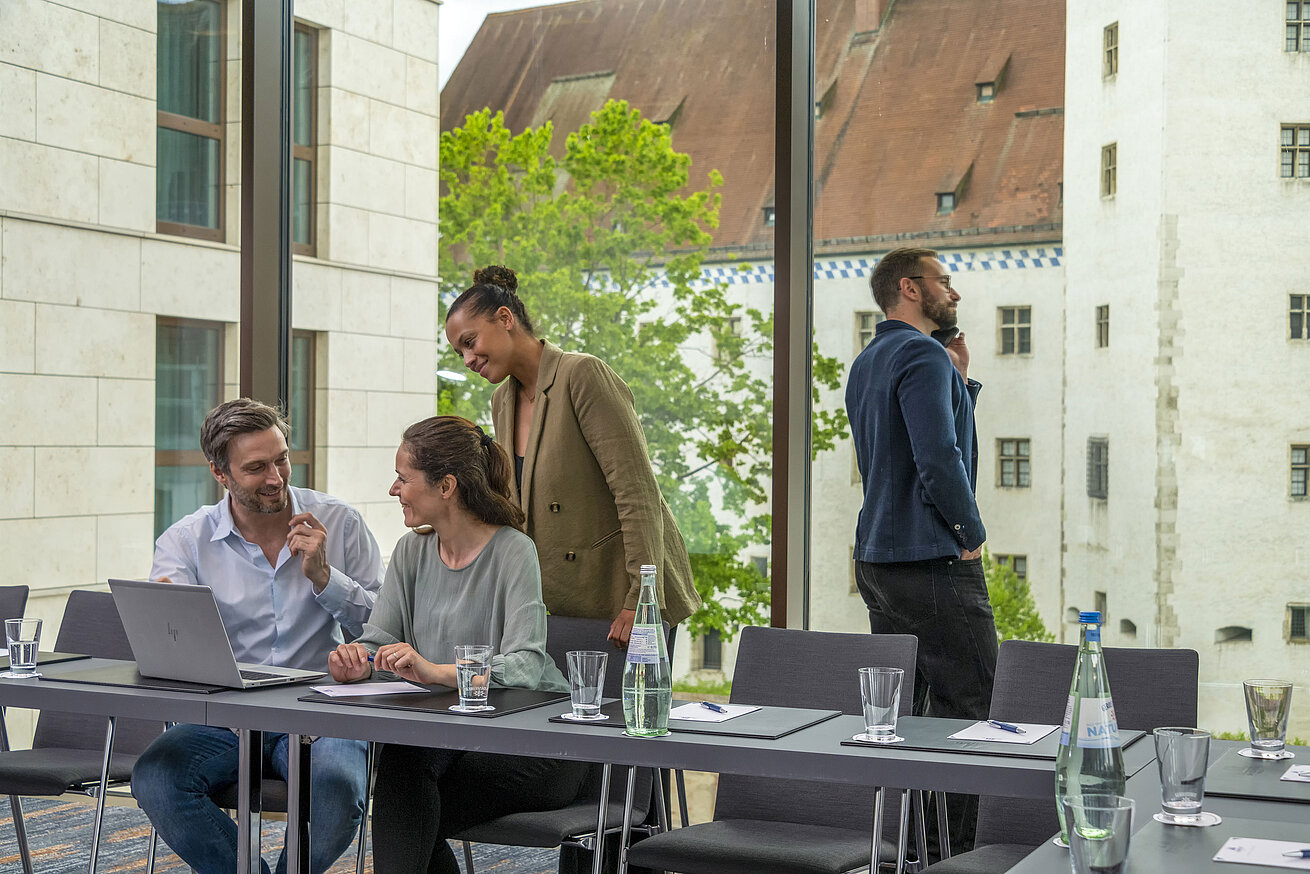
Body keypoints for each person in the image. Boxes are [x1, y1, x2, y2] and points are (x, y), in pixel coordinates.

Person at [329, 416, 589, 874]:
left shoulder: (514, 551)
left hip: (538, 744)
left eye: (403, 479)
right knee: (403, 771)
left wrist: (435, 671)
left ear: (446, 485)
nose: (394, 490)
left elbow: (526, 666)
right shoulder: (411, 552)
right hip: (450, 737)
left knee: (406, 807)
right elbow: (378, 641)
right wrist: (360, 662)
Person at [133, 398, 382, 874]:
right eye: (256, 467)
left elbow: (383, 630)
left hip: (320, 708)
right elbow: (167, 652)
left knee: (338, 786)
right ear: (219, 473)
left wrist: (325, 577)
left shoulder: (341, 522)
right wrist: (168, 623)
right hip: (223, 716)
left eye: (281, 458)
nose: (276, 477)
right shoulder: (185, 541)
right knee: (157, 779)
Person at [443, 265, 700, 647]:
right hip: (559, 601)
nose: (467, 359)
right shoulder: (502, 401)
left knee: (629, 707)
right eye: (458, 351)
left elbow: (637, 493)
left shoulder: (582, 374)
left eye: (470, 341)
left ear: (504, 318)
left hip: (621, 595)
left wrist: (639, 599)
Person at [844, 247, 997, 850]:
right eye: (944, 281)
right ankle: (963, 857)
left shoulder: (870, 359)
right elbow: (939, 459)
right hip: (932, 555)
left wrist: (961, 383)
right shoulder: (922, 353)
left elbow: (909, 446)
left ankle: (910, 851)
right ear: (909, 288)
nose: (953, 293)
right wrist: (972, 534)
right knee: (972, 709)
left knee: (908, 714)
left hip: (878, 558)